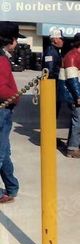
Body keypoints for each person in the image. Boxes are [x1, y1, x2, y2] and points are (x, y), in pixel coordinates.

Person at [0, 21, 25, 203]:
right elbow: (1, 89)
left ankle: (11, 187)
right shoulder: (1, 59)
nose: (17, 44)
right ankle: (10, 188)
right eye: (16, 40)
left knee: (4, 151)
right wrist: (16, 97)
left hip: (4, 111)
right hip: (2, 111)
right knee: (0, 152)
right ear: (10, 40)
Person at [42, 29, 64, 116]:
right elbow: (49, 71)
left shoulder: (55, 51)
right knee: (52, 109)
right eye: (61, 39)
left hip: (55, 85)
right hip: (52, 86)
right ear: (55, 39)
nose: (63, 41)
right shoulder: (51, 52)